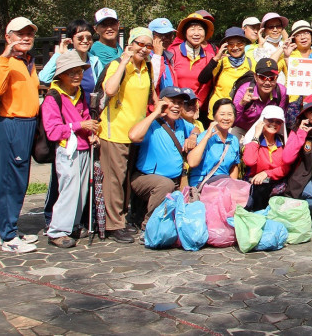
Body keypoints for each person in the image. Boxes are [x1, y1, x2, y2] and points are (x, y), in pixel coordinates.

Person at [98, 26, 154, 244]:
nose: (143, 48)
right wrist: (123, 62)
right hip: (115, 132)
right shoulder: (116, 65)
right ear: (130, 43)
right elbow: (110, 90)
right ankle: (114, 224)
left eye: (147, 45)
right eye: (139, 43)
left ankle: (122, 218)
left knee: (125, 180)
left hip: (136, 134)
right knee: (114, 180)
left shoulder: (147, 68)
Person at [0, 16, 41, 253]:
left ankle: (12, 228)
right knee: (10, 181)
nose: (25, 38)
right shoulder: (6, 61)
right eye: (20, 34)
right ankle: (8, 236)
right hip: (12, 124)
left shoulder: (27, 62)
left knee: (21, 179)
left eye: (29, 34)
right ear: (8, 37)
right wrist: (4, 56)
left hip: (28, 124)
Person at [42, 52, 99, 248]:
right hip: (67, 149)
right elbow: (53, 131)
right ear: (61, 75)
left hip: (83, 147)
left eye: (79, 71)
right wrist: (79, 126)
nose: (77, 75)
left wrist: (90, 132)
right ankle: (57, 230)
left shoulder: (80, 93)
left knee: (81, 190)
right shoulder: (53, 97)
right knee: (69, 189)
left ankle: (73, 225)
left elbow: (84, 118)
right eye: (71, 72)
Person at [128, 87, 198, 228]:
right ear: (162, 102)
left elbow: (196, 128)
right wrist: (155, 113)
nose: (177, 106)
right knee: (165, 184)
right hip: (145, 178)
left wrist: (193, 136)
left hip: (176, 180)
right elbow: (134, 136)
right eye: (172, 101)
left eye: (180, 102)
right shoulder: (151, 123)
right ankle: (150, 224)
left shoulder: (180, 123)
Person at [241, 105, 290, 211]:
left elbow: (286, 168)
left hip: (277, 184)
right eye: (270, 120)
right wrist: (256, 135)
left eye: (278, 122)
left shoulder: (283, 142)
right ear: (262, 121)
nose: (274, 124)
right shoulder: (253, 141)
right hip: (255, 185)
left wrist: (266, 173)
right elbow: (249, 161)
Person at [187, 98, 242, 188]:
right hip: (203, 184)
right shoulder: (204, 137)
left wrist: (234, 188)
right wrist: (206, 138)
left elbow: (233, 166)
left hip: (224, 185)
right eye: (222, 114)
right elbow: (192, 163)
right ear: (214, 116)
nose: (226, 118)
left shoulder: (234, 140)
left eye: (230, 114)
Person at [39, 20, 103, 95]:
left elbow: (101, 87)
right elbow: (44, 78)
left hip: (88, 106)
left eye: (88, 38)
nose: (85, 41)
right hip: (67, 106)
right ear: (71, 40)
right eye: (80, 38)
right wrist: (59, 54)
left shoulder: (95, 62)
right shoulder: (64, 59)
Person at [169, 13, 216, 112]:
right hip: (174, 106)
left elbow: (206, 85)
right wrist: (177, 104)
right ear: (185, 32)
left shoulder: (209, 57)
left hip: (195, 108)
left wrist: (196, 104)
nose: (196, 33)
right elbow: (169, 81)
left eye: (200, 29)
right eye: (192, 29)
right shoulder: (173, 54)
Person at [199, 27, 256, 105]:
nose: (235, 48)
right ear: (226, 46)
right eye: (231, 44)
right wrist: (215, 59)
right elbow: (202, 79)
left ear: (244, 44)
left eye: (239, 44)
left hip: (240, 110)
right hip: (217, 111)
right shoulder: (220, 62)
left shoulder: (251, 62)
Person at [233, 58, 288, 134]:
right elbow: (232, 122)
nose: (267, 82)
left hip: (267, 130)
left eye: (272, 78)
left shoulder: (281, 92)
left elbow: (280, 120)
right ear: (255, 77)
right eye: (263, 77)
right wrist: (242, 104)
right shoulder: (244, 90)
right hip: (242, 129)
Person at [148, 17, 178, 95]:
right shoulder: (146, 57)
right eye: (163, 36)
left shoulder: (168, 57)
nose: (167, 39)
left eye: (170, 35)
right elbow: (151, 84)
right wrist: (157, 55)